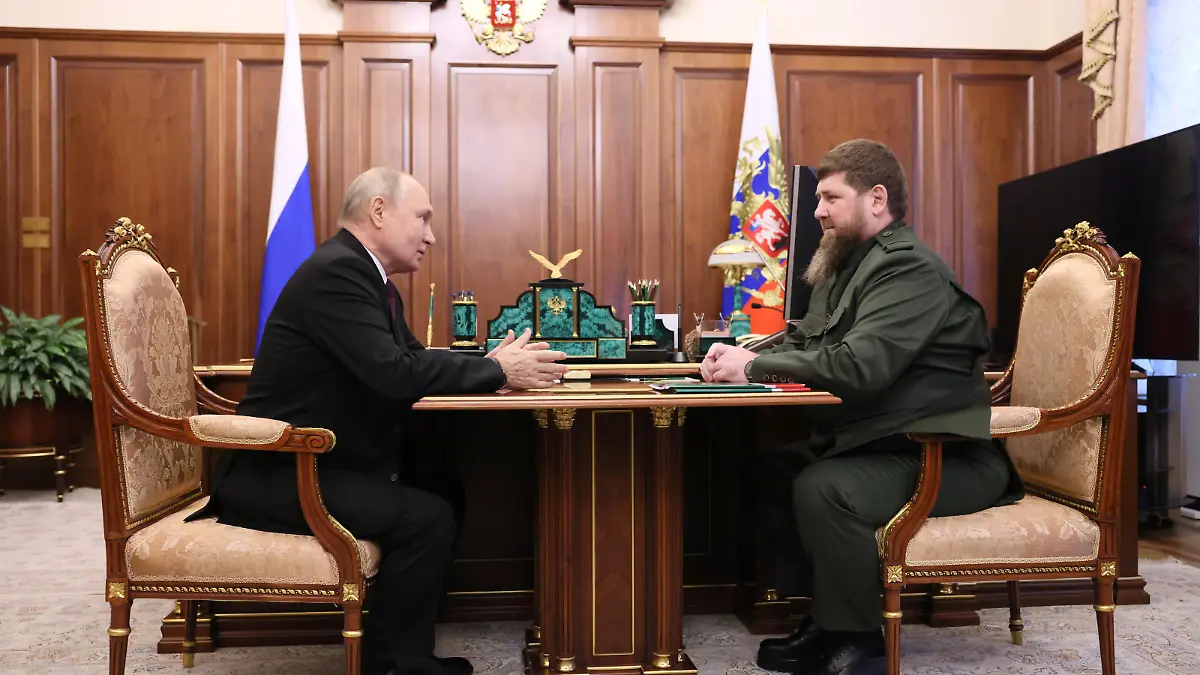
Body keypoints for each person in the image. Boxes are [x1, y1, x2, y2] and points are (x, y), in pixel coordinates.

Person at [186, 167, 568, 675]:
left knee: (442, 486)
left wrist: (487, 369)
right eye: (423, 219)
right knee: (427, 518)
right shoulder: (337, 274)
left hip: (321, 460)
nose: (431, 235)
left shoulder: (368, 277)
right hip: (279, 472)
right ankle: (392, 665)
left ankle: (402, 652)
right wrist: (495, 368)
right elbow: (393, 373)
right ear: (380, 211)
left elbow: (408, 360)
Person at [700, 139, 1024, 675]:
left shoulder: (909, 271)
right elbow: (805, 342)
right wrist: (732, 354)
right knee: (780, 469)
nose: (818, 212)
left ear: (876, 198)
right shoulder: (848, 266)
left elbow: (859, 367)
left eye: (830, 198)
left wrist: (753, 369)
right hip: (887, 444)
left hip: (948, 458)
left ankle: (860, 641)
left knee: (824, 488)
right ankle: (826, 622)